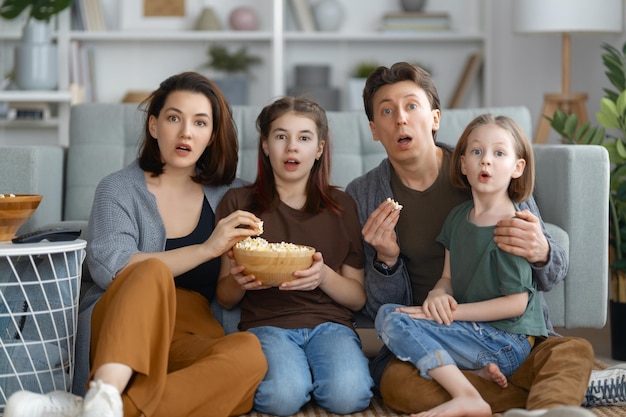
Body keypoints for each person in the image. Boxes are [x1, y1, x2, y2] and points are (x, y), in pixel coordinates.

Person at [4, 71, 268, 417]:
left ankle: (96, 408)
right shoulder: (118, 189)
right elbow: (112, 269)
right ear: (155, 126)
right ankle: (108, 387)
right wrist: (206, 249)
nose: (186, 132)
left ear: (212, 135)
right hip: (121, 327)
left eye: (200, 123)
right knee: (149, 273)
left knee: (248, 353)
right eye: (174, 118)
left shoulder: (234, 196)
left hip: (192, 331)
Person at [345, 62, 596, 416]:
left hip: (509, 336)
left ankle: (543, 402)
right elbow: (374, 308)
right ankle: (546, 396)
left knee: (572, 351)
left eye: (411, 106)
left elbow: (549, 275)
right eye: (387, 111)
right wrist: (386, 262)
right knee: (398, 385)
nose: (400, 119)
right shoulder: (364, 194)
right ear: (374, 129)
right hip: (434, 342)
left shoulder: (487, 169)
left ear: (434, 118)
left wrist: (542, 252)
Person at [376, 114, 548, 417]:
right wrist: (437, 296)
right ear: (463, 163)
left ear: (517, 168)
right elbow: (447, 278)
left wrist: (454, 313)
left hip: (507, 341)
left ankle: (467, 396)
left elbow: (516, 303)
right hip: (473, 331)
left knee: (395, 320)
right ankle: (474, 379)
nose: (486, 162)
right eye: (477, 152)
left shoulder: (512, 226)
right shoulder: (458, 217)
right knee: (390, 314)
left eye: (499, 153)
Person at [215, 96, 374, 416]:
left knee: (349, 397)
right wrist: (239, 281)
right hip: (266, 325)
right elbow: (225, 297)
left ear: (319, 149)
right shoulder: (238, 204)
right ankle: (296, 379)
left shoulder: (342, 206)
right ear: (265, 145)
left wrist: (324, 276)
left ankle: (312, 375)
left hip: (331, 325)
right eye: (280, 136)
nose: (292, 148)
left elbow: (357, 298)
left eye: (304, 138)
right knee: (281, 398)